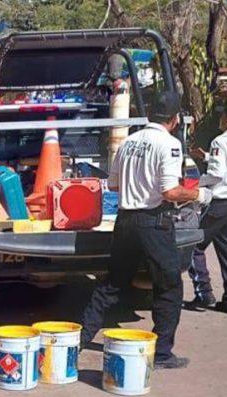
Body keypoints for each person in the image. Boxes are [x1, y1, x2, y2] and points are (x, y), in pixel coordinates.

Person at [80, 91, 210, 369]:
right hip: (154, 223)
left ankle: (78, 339)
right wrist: (199, 195)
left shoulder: (128, 142)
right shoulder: (170, 144)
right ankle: (161, 353)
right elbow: (170, 192)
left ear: (150, 114)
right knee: (169, 286)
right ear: (175, 119)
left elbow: (113, 185)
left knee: (112, 284)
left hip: (125, 222)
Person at [186, 102, 227, 314]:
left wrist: (194, 183)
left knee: (192, 246)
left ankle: (203, 292)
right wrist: (207, 156)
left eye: (222, 116)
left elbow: (217, 174)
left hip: (219, 204)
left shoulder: (220, 141)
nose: (220, 119)